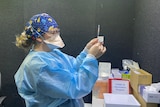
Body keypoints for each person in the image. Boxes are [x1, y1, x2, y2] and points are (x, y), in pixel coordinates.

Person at [14, 13, 106, 107]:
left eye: (57, 31)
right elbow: (76, 88)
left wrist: (87, 51)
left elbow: (74, 68)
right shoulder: (37, 66)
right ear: (38, 37)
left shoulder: (53, 53)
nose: (57, 35)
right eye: (53, 32)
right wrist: (91, 58)